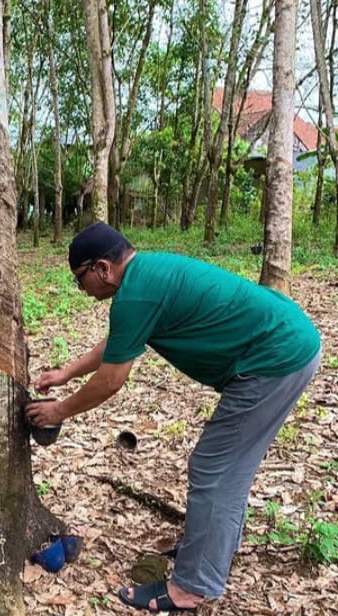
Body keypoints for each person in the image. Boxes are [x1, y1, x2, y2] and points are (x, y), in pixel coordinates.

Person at [25, 222, 321, 613]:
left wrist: (58, 411)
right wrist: (66, 373)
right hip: (287, 339)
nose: (81, 289)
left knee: (215, 468)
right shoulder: (145, 276)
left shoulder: (134, 295)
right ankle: (211, 545)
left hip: (275, 358)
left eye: (80, 279)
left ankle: (190, 589)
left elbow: (112, 380)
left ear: (101, 268)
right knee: (228, 469)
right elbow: (120, 340)